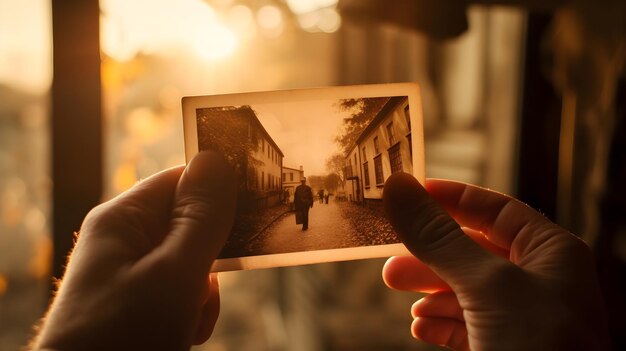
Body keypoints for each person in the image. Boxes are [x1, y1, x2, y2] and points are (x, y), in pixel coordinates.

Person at [30, 152, 611, 350]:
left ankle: (305, 223)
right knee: (304, 218)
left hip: (308, 207)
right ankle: (304, 223)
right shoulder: (299, 184)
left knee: (307, 218)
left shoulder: (309, 184)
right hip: (304, 208)